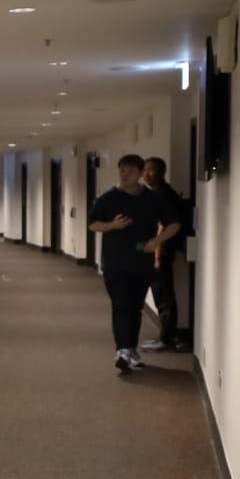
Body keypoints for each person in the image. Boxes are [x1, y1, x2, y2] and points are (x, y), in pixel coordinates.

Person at [88, 154, 181, 373]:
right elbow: (93, 224)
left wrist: (156, 242)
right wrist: (112, 226)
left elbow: (174, 224)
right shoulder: (108, 198)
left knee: (135, 308)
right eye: (122, 170)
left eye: (130, 170)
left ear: (140, 173)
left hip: (141, 263)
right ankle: (122, 350)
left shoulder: (152, 198)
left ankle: (130, 350)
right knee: (121, 306)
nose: (125, 174)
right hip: (114, 263)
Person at [141, 156, 190, 352]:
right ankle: (166, 336)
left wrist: (156, 255)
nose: (146, 174)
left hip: (161, 253)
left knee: (164, 296)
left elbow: (163, 226)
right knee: (162, 294)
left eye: (150, 170)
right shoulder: (161, 192)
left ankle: (166, 339)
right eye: (144, 170)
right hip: (161, 252)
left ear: (161, 172)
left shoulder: (161, 195)